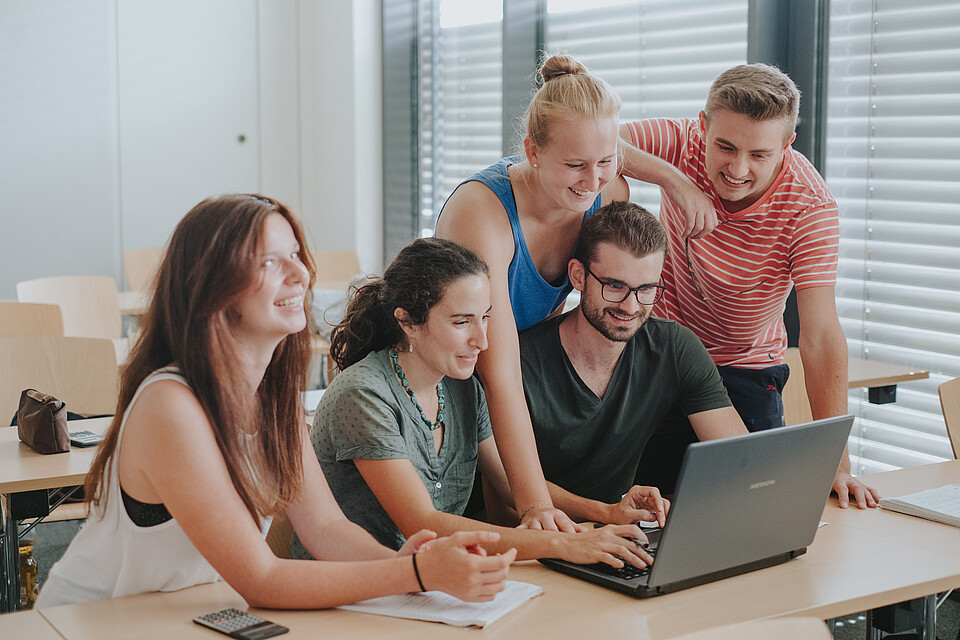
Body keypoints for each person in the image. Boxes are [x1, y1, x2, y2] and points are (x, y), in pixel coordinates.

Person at [37, 195, 512, 608]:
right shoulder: (171, 405)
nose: (300, 273)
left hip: (188, 613)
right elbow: (262, 578)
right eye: (270, 262)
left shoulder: (271, 398)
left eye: (295, 255)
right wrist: (414, 576)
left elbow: (326, 529)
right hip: (94, 622)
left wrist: (403, 568)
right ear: (212, 285)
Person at [290, 237, 653, 571]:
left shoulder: (462, 389)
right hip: (352, 588)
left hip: (435, 582)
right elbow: (422, 523)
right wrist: (560, 544)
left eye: (485, 318)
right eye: (462, 322)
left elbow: (513, 483)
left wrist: (606, 512)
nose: (482, 340)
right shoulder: (365, 393)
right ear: (408, 322)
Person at [618, 63, 879, 508]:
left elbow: (818, 335)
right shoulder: (681, 141)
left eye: (759, 155)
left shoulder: (810, 206)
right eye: (725, 147)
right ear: (703, 127)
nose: (738, 169)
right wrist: (674, 180)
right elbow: (593, 144)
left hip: (745, 368)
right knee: (643, 512)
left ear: (786, 145)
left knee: (748, 511)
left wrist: (837, 462)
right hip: (660, 353)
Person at [435, 54, 630, 531]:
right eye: (576, 165)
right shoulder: (482, 214)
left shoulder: (607, 193)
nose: (593, 179)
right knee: (508, 512)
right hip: (447, 367)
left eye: (606, 161)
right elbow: (496, 372)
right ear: (533, 151)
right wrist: (536, 509)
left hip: (518, 362)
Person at [518, 201, 749, 523]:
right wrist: (607, 514)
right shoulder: (519, 362)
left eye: (646, 289)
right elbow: (509, 491)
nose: (630, 306)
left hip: (616, 533)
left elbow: (740, 459)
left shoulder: (674, 347)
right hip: (532, 541)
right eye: (615, 286)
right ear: (579, 276)